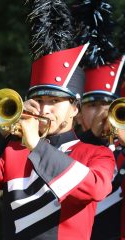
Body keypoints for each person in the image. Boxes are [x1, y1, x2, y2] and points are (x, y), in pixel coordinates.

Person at [0, 0, 115, 239]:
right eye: (40, 99)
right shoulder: (12, 151)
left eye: (55, 101)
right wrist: (3, 131)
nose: (44, 109)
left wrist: (36, 145)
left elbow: (97, 187)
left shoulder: (96, 154)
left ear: (75, 108)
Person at [76, 56, 125, 240]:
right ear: (78, 115)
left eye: (109, 105)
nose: (103, 112)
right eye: (93, 105)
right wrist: (92, 138)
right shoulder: (66, 149)